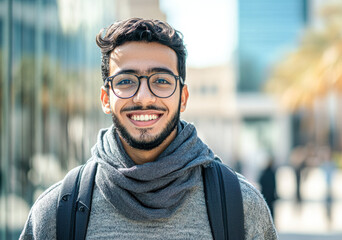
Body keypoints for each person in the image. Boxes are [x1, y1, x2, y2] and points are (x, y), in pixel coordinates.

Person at [19, 18, 277, 239]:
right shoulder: (55, 212)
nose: (143, 97)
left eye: (162, 81)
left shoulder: (241, 206)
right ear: (106, 99)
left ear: (183, 97)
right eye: (126, 81)